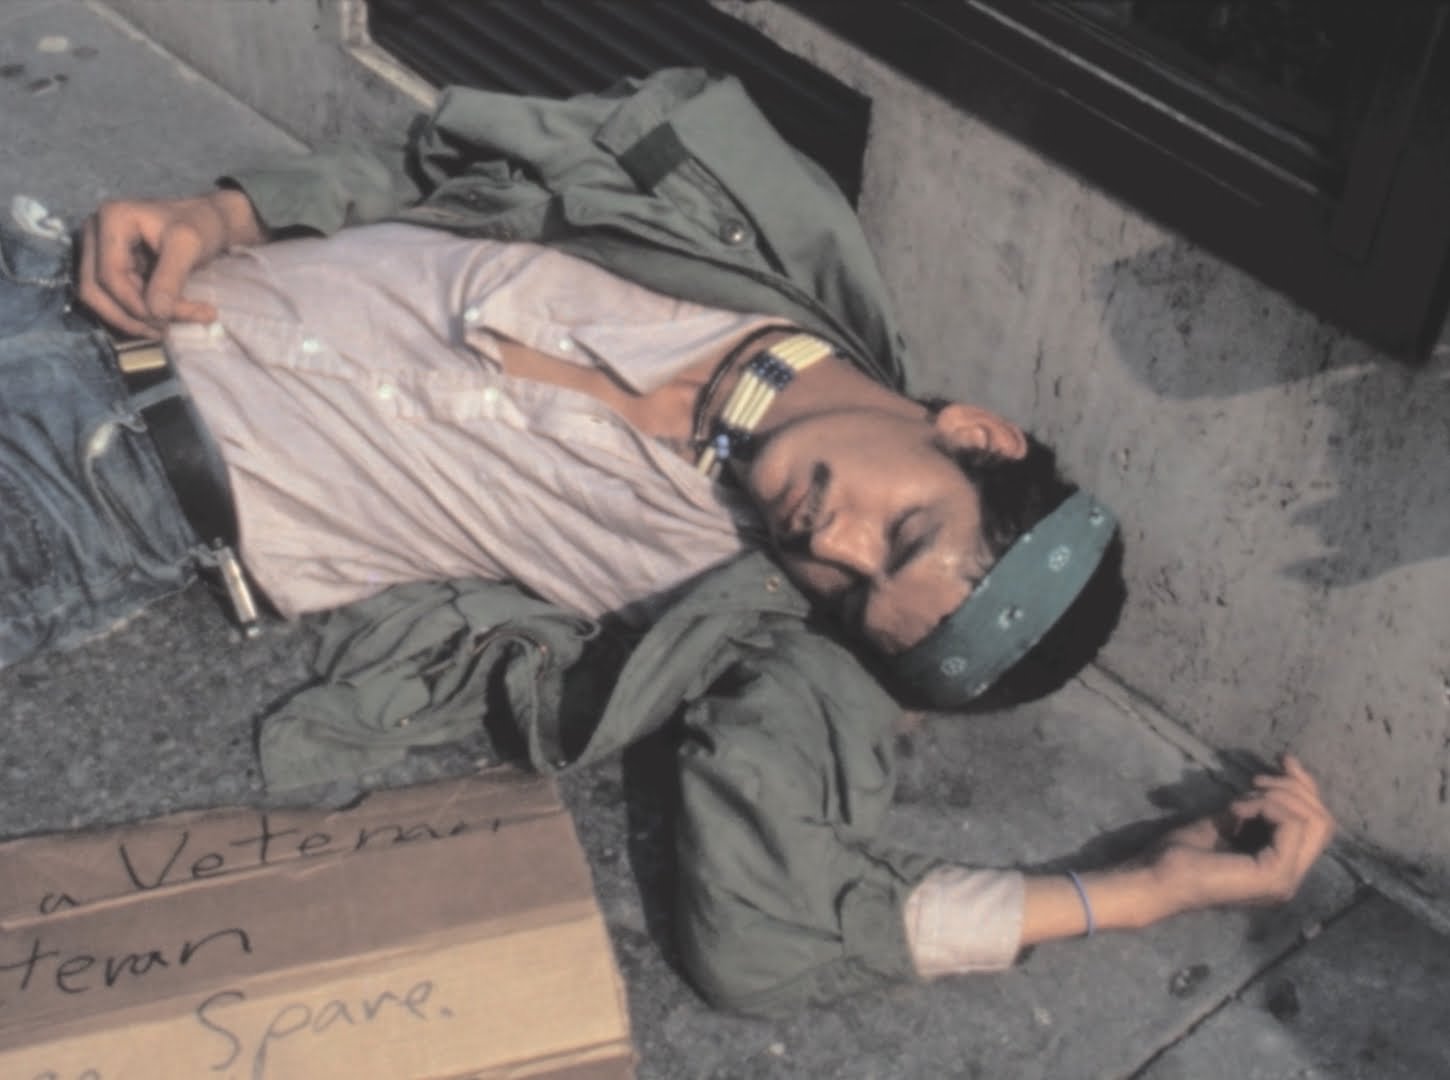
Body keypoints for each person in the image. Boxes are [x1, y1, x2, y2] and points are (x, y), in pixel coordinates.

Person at [2, 68, 1334, 1017]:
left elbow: (767, 932)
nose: (831, 540)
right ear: (973, 433)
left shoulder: (755, 615)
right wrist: (226, 214)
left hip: (90, 494)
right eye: (905, 526)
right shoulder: (727, 212)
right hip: (55, 275)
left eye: (855, 591)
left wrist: (1136, 894)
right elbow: (434, 166)